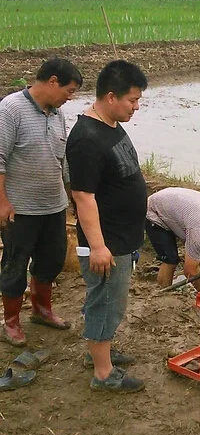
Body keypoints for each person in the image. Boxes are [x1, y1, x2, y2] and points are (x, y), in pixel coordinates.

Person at [67, 60, 148, 393]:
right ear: (111, 96)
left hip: (121, 237)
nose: (136, 106)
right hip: (106, 242)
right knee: (105, 302)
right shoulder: (87, 138)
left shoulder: (109, 125)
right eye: (132, 100)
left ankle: (100, 353)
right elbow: (83, 197)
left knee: (110, 301)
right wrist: (99, 246)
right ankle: (102, 374)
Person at [0, 58, 83, 346]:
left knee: (51, 260)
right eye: (69, 90)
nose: (69, 97)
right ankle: (10, 322)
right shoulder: (11, 109)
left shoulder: (57, 113)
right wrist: (2, 202)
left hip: (53, 205)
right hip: (20, 209)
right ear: (52, 82)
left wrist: (73, 197)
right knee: (15, 264)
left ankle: (41, 310)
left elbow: (64, 161)